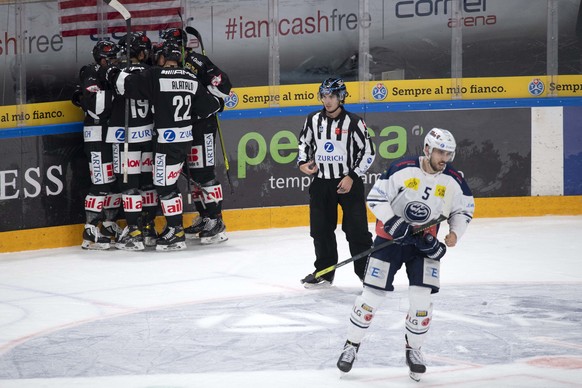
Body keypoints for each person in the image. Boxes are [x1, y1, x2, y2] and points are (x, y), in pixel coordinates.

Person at [336, 128, 475, 382]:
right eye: (440, 152)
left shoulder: (453, 179)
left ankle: (415, 351)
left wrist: (455, 233)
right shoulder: (401, 168)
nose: (444, 158)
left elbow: (464, 209)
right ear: (427, 149)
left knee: (421, 299)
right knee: (371, 296)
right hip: (390, 239)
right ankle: (351, 346)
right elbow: (376, 198)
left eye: (448, 153)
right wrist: (392, 221)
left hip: (424, 243)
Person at [107, 39, 224, 251]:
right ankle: (181, 228)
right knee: (169, 184)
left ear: (162, 58)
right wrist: (187, 116)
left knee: (164, 187)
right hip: (185, 139)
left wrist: (114, 72)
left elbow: (127, 86)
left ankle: (175, 233)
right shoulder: (189, 77)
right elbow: (211, 106)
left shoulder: (156, 75)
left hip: (165, 140)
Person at [297, 77, 376, 288]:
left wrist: (352, 176)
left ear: (340, 97)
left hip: (348, 183)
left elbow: (368, 151)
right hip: (321, 184)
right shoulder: (312, 119)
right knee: (320, 230)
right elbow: (304, 143)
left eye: (331, 96)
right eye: (324, 96)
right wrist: (303, 163)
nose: (327, 100)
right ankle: (324, 273)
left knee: (357, 230)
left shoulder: (355, 122)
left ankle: (365, 272)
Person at [106, 32, 156, 250]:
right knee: (148, 185)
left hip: (126, 137)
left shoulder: (118, 73)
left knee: (129, 187)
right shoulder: (153, 73)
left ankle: (134, 231)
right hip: (149, 136)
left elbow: (109, 95)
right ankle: (149, 228)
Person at [73, 40, 120, 250]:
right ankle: (90, 231)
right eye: (109, 58)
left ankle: (109, 224)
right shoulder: (91, 71)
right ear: (101, 58)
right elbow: (94, 104)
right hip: (96, 135)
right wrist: (120, 95)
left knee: (113, 183)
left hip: (111, 134)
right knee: (100, 184)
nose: (113, 62)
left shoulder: (111, 73)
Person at [183, 48, 232, 244]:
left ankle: (216, 220)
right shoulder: (172, 65)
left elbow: (224, 86)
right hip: (188, 128)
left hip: (204, 128)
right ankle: (205, 217)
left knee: (205, 173)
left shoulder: (196, 60)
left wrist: (212, 98)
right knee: (194, 176)